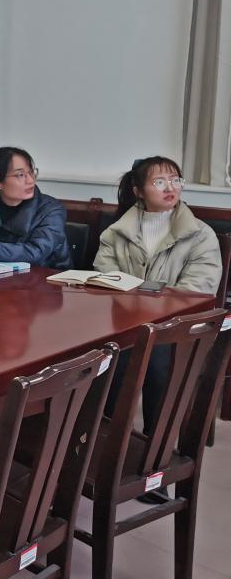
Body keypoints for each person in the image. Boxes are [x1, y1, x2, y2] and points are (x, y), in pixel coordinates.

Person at [95, 156, 222, 441]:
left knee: (157, 355)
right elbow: (106, 283)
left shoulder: (201, 235)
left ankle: (156, 448)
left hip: (180, 327)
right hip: (124, 326)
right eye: (159, 181)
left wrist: (139, 297)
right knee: (108, 354)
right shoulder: (115, 233)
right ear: (138, 191)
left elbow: (195, 293)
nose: (170, 187)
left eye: (175, 180)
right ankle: (108, 442)